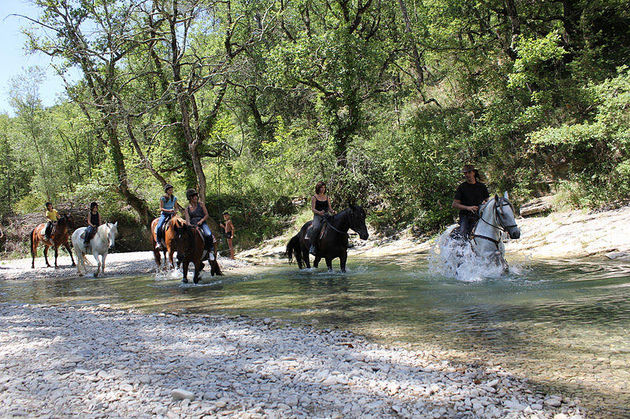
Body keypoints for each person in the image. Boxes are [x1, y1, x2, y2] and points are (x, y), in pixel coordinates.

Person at [452, 164, 490, 239]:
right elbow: (454, 204)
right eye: (465, 173)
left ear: (473, 173)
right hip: (465, 215)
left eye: (469, 172)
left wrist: (485, 205)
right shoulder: (462, 187)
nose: (467, 175)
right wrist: (468, 208)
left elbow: (487, 201)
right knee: (463, 233)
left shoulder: (482, 186)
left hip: (479, 214)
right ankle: (460, 248)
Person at [305, 181, 335, 255]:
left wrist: (333, 211)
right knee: (316, 228)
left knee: (337, 224)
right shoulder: (314, 197)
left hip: (326, 215)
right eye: (321, 187)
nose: (323, 189)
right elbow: (313, 209)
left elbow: (329, 208)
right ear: (318, 188)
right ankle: (313, 246)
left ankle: (344, 242)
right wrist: (319, 212)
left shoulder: (327, 197)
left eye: (324, 187)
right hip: (318, 216)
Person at [184, 189, 214, 260]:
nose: (196, 198)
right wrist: (189, 224)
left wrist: (201, 220)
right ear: (190, 198)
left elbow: (207, 215)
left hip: (202, 223)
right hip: (192, 224)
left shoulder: (201, 204)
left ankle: (210, 251)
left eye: (196, 196)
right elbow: (187, 220)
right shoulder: (187, 209)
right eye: (194, 196)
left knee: (208, 234)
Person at [155, 184, 178, 250]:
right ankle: (158, 242)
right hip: (164, 214)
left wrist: (175, 211)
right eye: (169, 190)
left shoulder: (174, 198)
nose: (171, 191)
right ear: (166, 191)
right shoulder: (163, 198)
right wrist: (169, 210)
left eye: (172, 190)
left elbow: (176, 207)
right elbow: (161, 208)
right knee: (159, 226)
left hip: (172, 214)